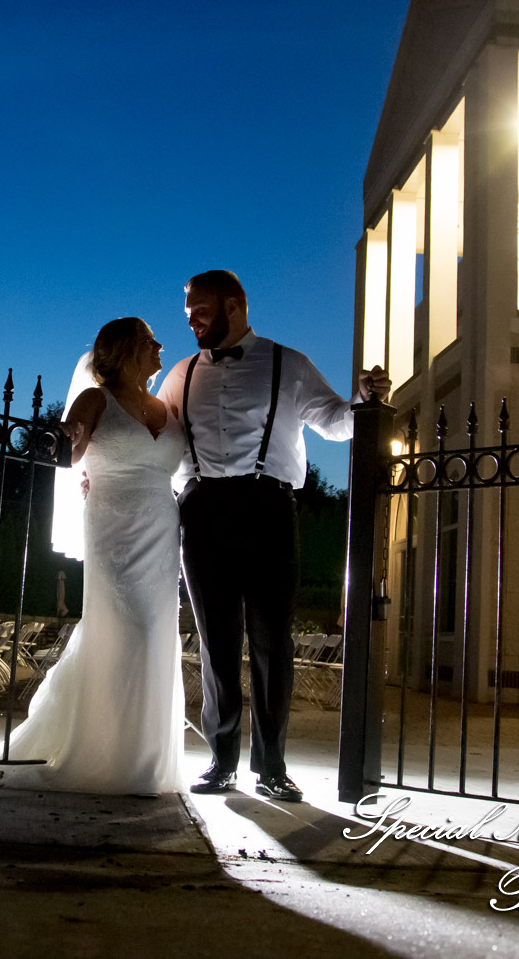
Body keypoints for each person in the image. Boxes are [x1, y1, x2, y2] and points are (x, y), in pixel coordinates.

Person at [159, 270, 389, 802]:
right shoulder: (181, 373)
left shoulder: (289, 364)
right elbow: (158, 433)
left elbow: (334, 421)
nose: (192, 320)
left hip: (268, 507)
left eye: (201, 310)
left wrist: (362, 398)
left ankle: (271, 766)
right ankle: (221, 762)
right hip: (202, 510)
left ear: (235, 305)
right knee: (215, 644)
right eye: (188, 311)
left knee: (271, 643)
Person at [0, 317, 185, 796]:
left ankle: (145, 759)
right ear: (128, 349)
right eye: (151, 340)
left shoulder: (165, 406)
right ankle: (105, 753)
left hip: (162, 530)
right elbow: (68, 457)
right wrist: (72, 447)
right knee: (125, 630)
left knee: (156, 636)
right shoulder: (96, 398)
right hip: (112, 524)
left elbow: (185, 466)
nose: (161, 346)